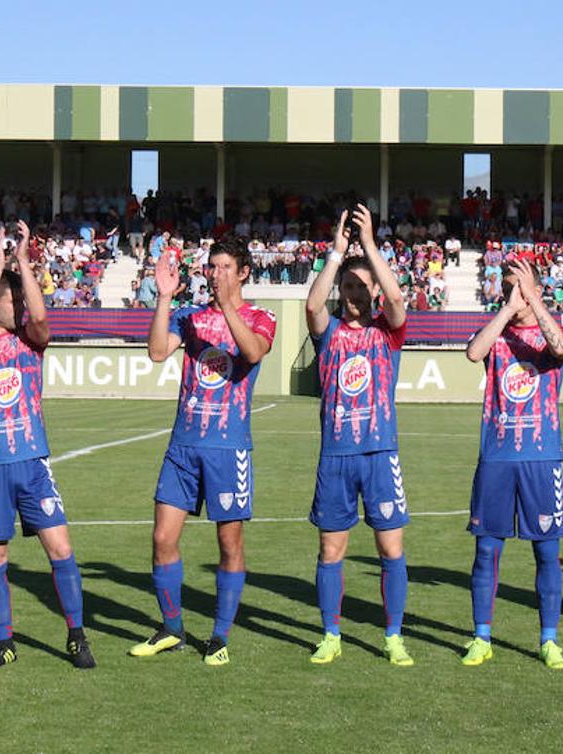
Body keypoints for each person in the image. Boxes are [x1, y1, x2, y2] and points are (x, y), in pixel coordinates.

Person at [0, 221, 95, 670]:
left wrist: (23, 261)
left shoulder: (29, 345)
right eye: (9, 301)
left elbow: (40, 319)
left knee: (60, 548)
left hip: (32, 463)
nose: (17, 307)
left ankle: (76, 635)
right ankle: (4, 641)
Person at [130, 239, 276, 667]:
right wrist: (162, 298)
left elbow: (251, 353)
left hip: (228, 449)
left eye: (226, 266)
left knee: (229, 543)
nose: (217, 274)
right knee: (162, 538)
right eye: (213, 267)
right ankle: (172, 629)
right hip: (183, 445)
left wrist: (228, 305)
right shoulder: (188, 316)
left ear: (244, 272)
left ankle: (219, 635)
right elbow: (158, 352)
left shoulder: (259, 317)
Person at [303, 204, 412, 666]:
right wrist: (337, 254)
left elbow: (398, 302)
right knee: (332, 549)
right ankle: (331, 634)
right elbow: (312, 305)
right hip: (336, 458)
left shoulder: (388, 334)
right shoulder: (327, 335)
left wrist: (370, 248)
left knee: (390, 547)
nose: (353, 294)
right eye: (348, 286)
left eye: (361, 286)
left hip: (380, 454)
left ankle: (392, 636)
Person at [461, 257, 563, 670]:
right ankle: (481, 636)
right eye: (507, 285)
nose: (514, 292)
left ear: (538, 289)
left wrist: (535, 303)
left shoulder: (553, 331)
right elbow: (474, 353)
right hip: (496, 456)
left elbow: (561, 349)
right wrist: (508, 308)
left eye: (520, 286)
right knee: (487, 551)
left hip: (542, 458)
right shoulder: (496, 333)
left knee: (547, 553)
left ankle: (548, 640)